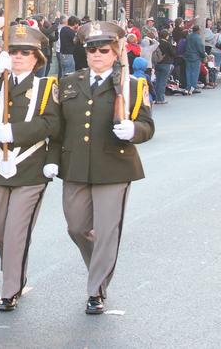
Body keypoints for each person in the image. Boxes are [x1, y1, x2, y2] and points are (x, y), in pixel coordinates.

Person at [54, 20, 155, 315]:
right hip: (76, 166)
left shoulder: (131, 85)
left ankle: (96, 289)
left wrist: (133, 130)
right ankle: (100, 261)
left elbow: (148, 126)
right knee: (77, 227)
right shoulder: (70, 82)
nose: (97, 54)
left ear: (115, 52)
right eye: (91, 49)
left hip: (114, 165)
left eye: (103, 49)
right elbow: (59, 127)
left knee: (107, 231)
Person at [0, 23, 60, 312]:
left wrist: (17, 133)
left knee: (17, 230)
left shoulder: (46, 87)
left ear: (36, 58)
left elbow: (52, 125)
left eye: (25, 52)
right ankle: (13, 267)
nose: (18, 57)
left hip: (29, 169)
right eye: (13, 51)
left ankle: (10, 288)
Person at [152, 31, 176, 104]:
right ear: (166, 36)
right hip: (166, 63)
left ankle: (155, 97)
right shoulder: (167, 43)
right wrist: (174, 46)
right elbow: (173, 53)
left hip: (157, 63)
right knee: (162, 82)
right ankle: (161, 98)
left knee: (157, 81)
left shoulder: (157, 43)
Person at [184, 25, 205, 95]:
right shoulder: (198, 38)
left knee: (188, 72)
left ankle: (188, 87)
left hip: (188, 56)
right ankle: (193, 87)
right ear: (198, 30)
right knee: (195, 72)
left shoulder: (188, 36)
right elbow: (200, 48)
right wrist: (203, 55)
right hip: (195, 57)